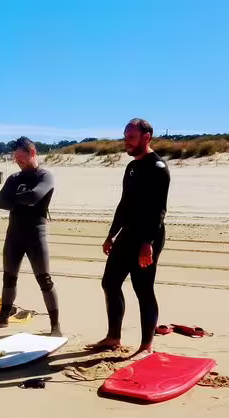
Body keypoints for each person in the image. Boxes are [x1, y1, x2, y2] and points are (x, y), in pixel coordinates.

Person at [86, 118, 171, 360]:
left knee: (143, 288)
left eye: (130, 137)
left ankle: (146, 344)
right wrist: (111, 234)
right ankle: (113, 337)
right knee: (109, 283)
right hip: (128, 233)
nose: (126, 142)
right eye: (125, 137)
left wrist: (148, 243)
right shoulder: (132, 167)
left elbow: (158, 210)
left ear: (147, 136)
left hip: (148, 236)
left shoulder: (158, 168)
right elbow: (124, 204)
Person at [0, 136, 61, 335]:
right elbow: (0, 202)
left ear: (32, 152)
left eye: (21, 157)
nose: (18, 161)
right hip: (14, 235)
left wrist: (14, 199)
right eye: (15, 157)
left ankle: (55, 326)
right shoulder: (14, 178)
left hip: (36, 234)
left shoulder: (44, 175)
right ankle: (2, 319)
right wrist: (22, 200)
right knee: (9, 278)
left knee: (44, 279)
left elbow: (35, 196)